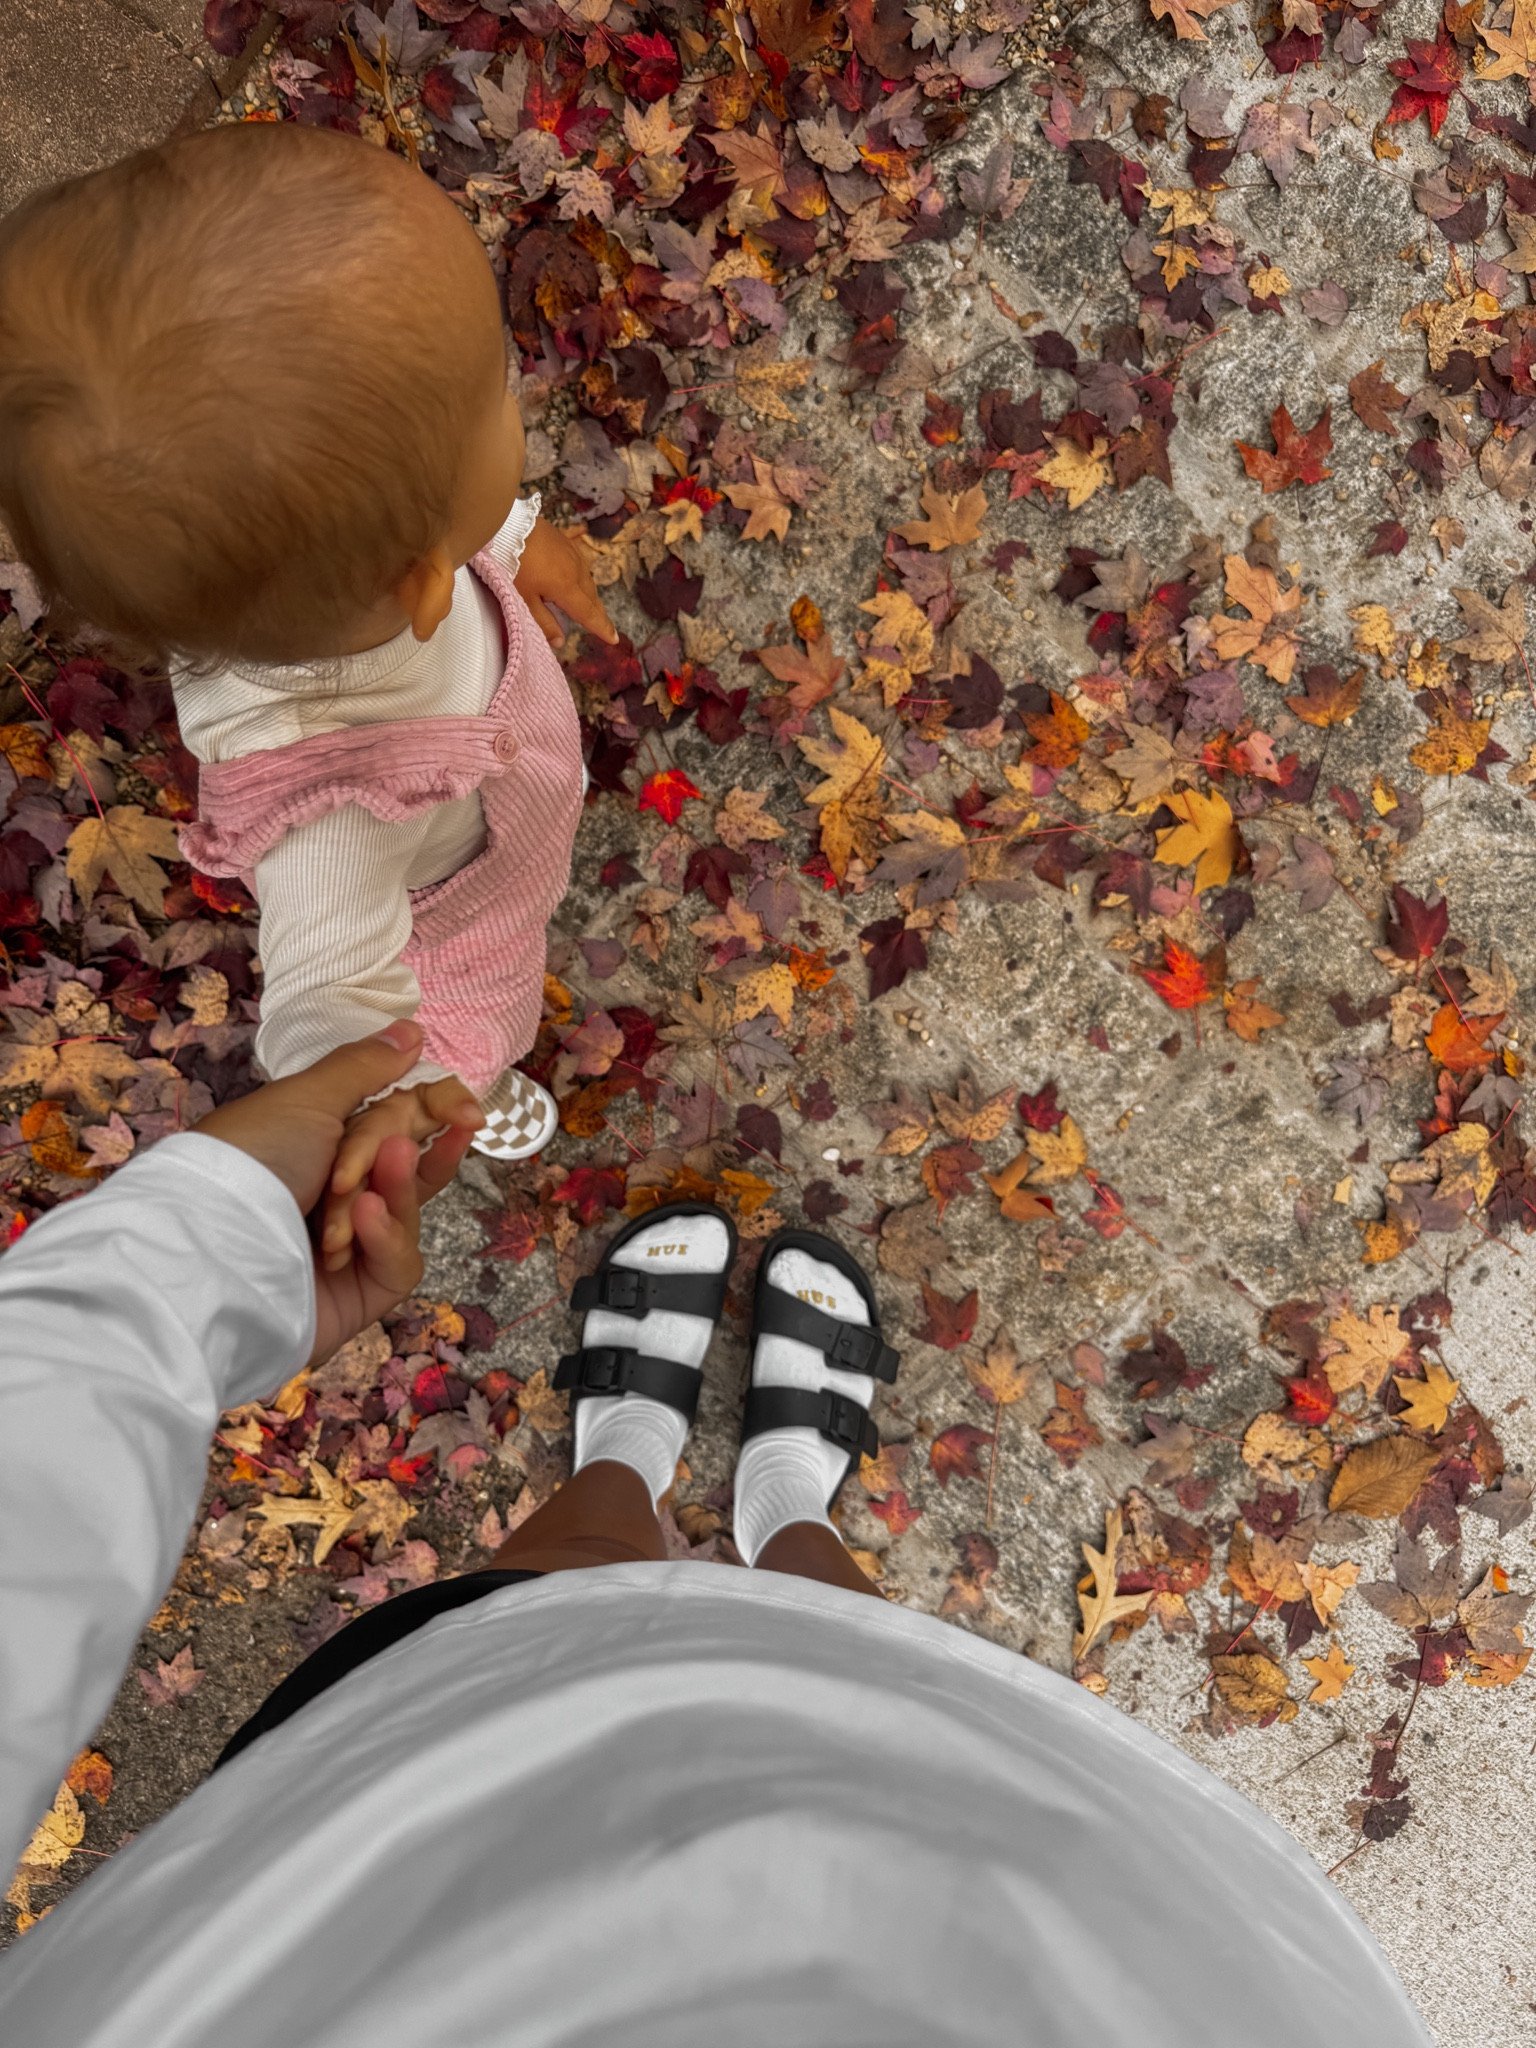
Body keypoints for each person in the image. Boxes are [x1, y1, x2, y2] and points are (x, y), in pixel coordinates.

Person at [0, 1028, 1430, 2046]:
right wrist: (187, 1255)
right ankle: (786, 1493)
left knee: (553, 1608)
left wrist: (196, 1246)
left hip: (356, 1923)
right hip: (1061, 1959)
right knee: (844, 1654)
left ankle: (635, 1448)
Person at [0, 121, 618, 1255]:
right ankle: (487, 1073)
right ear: (423, 582)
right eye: (497, 389)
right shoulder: (332, 801)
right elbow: (333, 1003)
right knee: (481, 1013)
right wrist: (394, 1096)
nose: (516, 385)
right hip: (462, 920)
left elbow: (451, 523)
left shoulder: (319, 571)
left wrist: (519, 541)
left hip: (472, 735)